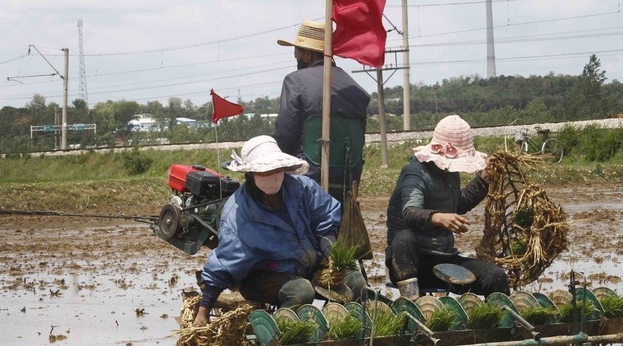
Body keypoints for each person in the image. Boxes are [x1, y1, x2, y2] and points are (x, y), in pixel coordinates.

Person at [192, 135, 367, 326]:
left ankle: (343, 329)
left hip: (306, 265)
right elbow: (225, 263)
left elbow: (324, 220)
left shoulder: (302, 189)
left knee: (357, 283)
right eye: (266, 171)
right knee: (301, 291)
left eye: (277, 170)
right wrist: (203, 311)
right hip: (261, 277)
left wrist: (331, 255)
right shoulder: (238, 213)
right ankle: (279, 332)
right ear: (251, 173)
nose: (274, 176)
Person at [385, 115, 510, 298]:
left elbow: (457, 204)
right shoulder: (415, 173)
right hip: (412, 263)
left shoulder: (450, 173)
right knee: (404, 238)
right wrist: (438, 218)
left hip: (443, 260)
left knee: (496, 277)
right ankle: (411, 305)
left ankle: (496, 322)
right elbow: (409, 212)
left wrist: (483, 179)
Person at [273, 20, 371, 203]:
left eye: (296, 52)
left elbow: (284, 135)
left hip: (306, 180)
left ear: (307, 54)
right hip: (347, 181)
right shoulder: (358, 91)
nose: (295, 57)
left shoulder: (295, 81)